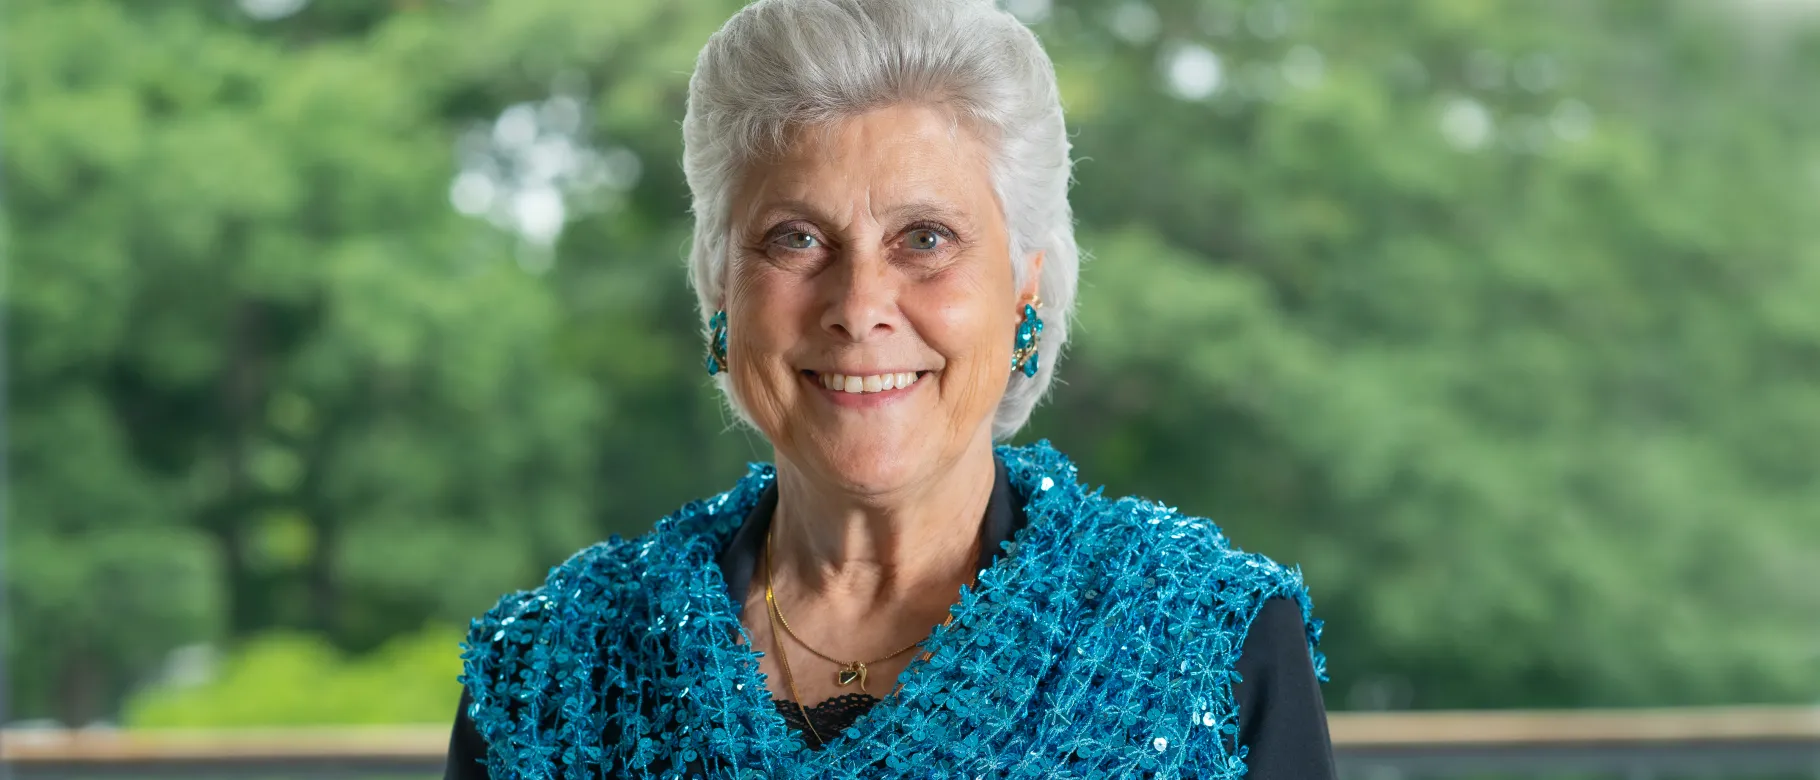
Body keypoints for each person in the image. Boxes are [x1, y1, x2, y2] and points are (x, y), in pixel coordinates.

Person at [443, 0, 1334, 776]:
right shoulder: (549, 670)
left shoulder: (1210, 642)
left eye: (927, 239)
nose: (859, 306)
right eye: (795, 239)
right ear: (721, 292)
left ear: (1024, 291)